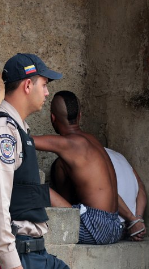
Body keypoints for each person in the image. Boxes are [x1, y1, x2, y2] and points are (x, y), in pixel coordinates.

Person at [0, 53, 83, 269]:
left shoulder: (19, 130)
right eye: (44, 85)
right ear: (28, 84)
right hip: (17, 255)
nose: (46, 93)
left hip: (36, 254)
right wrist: (10, 263)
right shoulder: (2, 132)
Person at [33, 90, 123, 245]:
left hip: (97, 228)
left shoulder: (70, 144)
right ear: (79, 115)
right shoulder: (91, 140)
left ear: (52, 117)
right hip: (115, 225)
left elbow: (24, 140)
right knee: (61, 165)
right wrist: (133, 219)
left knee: (33, 185)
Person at [105, 147, 148, 241]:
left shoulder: (95, 156)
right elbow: (140, 186)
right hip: (128, 225)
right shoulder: (119, 156)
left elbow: (106, 191)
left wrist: (133, 220)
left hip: (113, 225)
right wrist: (138, 219)